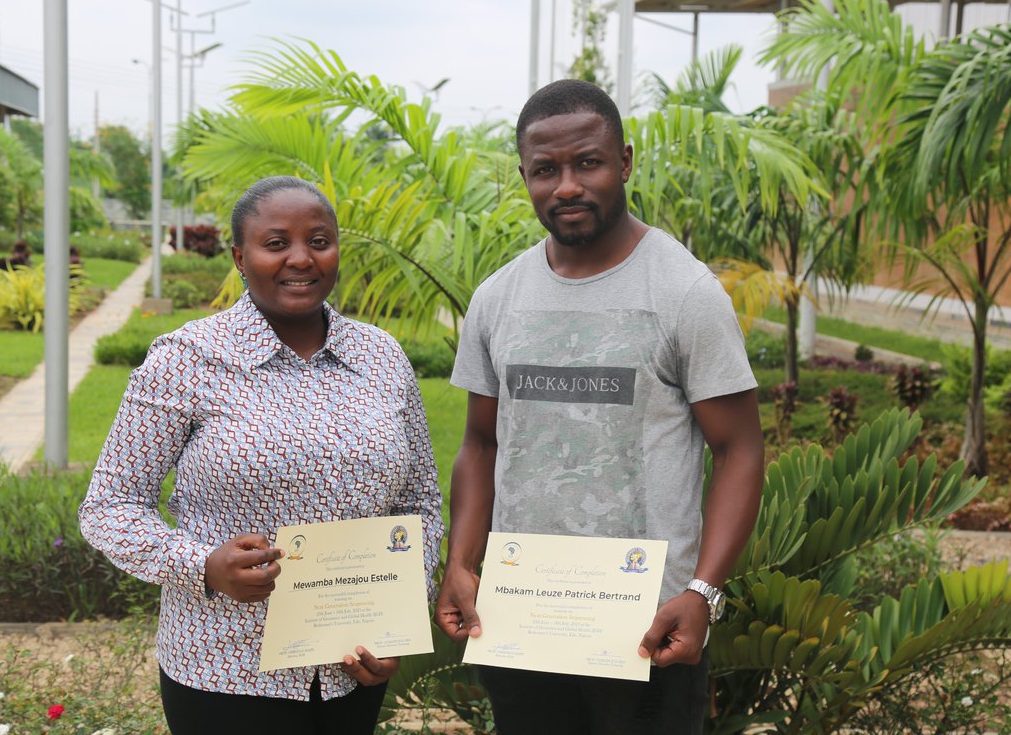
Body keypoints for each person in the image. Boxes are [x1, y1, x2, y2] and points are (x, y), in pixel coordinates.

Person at [434, 80, 764, 735]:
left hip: (646, 626)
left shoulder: (684, 291)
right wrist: (461, 563)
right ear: (524, 175)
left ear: (626, 162)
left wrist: (702, 593)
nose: (566, 186)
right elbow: (480, 444)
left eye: (588, 162)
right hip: (523, 619)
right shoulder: (498, 299)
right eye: (544, 170)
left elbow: (740, 449)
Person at [79, 175, 443, 734]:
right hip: (225, 668)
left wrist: (397, 625)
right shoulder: (187, 359)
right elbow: (109, 505)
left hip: (353, 662)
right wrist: (202, 565)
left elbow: (420, 503)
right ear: (240, 258)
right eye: (276, 243)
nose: (301, 258)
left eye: (319, 241)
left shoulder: (383, 357)